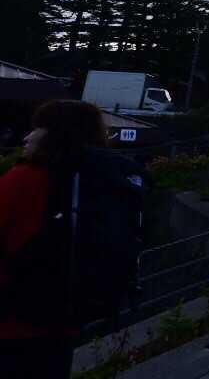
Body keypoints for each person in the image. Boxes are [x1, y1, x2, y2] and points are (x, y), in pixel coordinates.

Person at [0, 100, 111, 378]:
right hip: (64, 322)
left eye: (38, 128)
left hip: (11, 322)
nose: (27, 137)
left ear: (56, 134)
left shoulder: (23, 179)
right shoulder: (93, 184)